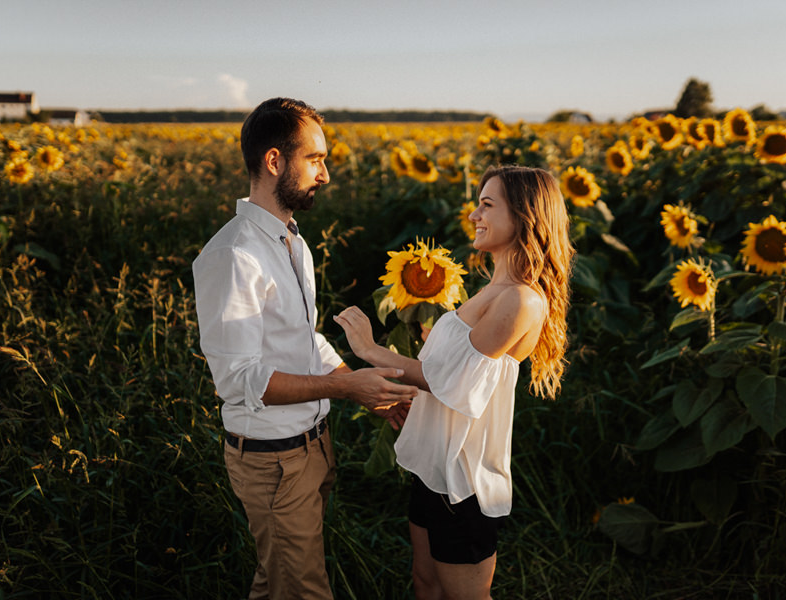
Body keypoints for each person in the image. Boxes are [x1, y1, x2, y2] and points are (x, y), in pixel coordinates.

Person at [192, 97, 418, 600]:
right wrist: (346, 387)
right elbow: (241, 381)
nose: (326, 174)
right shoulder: (234, 256)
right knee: (304, 590)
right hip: (274, 460)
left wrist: (368, 391)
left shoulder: (292, 241)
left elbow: (303, 338)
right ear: (274, 161)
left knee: (278, 581)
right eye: (315, 159)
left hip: (312, 444)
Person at [334, 165, 574, 600]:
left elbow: (449, 380)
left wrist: (369, 350)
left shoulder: (520, 299)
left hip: (465, 479)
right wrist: (409, 403)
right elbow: (447, 376)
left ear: (525, 214)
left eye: (486, 204)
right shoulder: (489, 288)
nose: (473, 215)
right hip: (435, 464)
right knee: (426, 583)